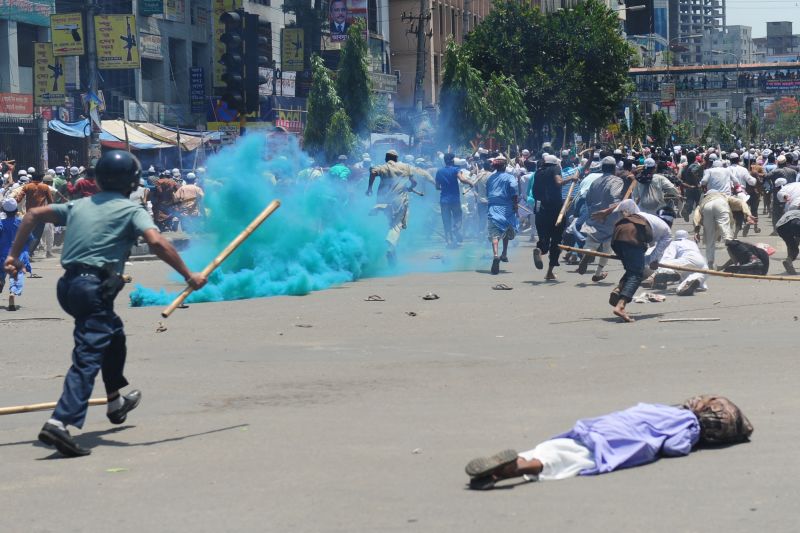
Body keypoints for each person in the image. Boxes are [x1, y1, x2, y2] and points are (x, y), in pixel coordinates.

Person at [3, 150, 207, 457]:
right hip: (93, 287)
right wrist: (189, 275)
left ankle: (115, 401)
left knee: (114, 336)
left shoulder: (79, 204)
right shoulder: (130, 209)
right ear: (133, 182)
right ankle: (60, 422)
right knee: (88, 355)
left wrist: (12, 256)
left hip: (69, 285)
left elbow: (32, 215)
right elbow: (156, 242)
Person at [464, 395, 753, 490]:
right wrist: (693, 444)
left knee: (557, 447)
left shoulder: (664, 409)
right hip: (617, 444)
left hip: (602, 425)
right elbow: (673, 448)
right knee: (569, 460)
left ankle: (509, 466)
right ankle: (513, 468)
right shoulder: (689, 428)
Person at [608, 200, 672, 323]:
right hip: (631, 236)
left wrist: (609, 211)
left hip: (617, 233)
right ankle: (620, 306)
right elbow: (657, 251)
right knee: (637, 274)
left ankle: (618, 290)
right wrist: (653, 261)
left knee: (632, 269)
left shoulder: (646, 217)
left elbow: (629, 202)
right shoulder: (667, 233)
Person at [366, 150, 432, 264]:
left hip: (384, 200)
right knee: (396, 226)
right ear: (396, 159)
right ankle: (390, 248)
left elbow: (373, 173)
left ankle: (393, 252)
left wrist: (369, 188)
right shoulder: (405, 167)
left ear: (386, 158)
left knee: (391, 224)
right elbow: (414, 182)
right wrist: (409, 187)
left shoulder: (383, 167)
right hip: (399, 201)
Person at [578, 156, 625, 282]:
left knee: (591, 241)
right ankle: (598, 272)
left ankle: (587, 253)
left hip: (594, 215)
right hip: (609, 216)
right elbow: (615, 198)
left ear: (602, 168)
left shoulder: (596, 181)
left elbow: (588, 199)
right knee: (607, 247)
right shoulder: (616, 181)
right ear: (614, 168)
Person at [532, 154, 578, 280]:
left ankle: (540, 251)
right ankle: (549, 271)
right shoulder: (555, 169)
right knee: (556, 240)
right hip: (555, 209)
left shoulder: (538, 172)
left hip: (541, 209)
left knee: (544, 238)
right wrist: (571, 178)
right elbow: (559, 182)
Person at [648, 229, 708, 296]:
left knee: (665, 263)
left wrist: (656, 270)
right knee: (694, 277)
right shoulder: (692, 243)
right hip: (702, 262)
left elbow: (668, 257)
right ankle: (692, 283)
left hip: (688, 259)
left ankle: (667, 273)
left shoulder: (674, 243)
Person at [485, 155, 518, 275]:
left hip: (493, 207)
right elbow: (514, 190)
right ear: (504, 166)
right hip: (507, 209)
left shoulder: (490, 178)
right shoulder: (510, 177)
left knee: (495, 234)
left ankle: (496, 255)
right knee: (507, 230)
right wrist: (515, 204)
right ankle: (504, 253)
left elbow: (487, 191)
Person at [0, 198, 32, 310]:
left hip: (3, 254)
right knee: (17, 275)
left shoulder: (1, 223)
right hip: (19, 255)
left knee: (1, 272)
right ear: (16, 210)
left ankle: (0, 280)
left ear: (4, 210)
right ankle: (13, 293)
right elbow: (30, 238)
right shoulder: (22, 223)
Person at [435, 153, 472, 248]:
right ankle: (456, 228)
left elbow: (437, 187)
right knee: (458, 218)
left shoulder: (439, 171)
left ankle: (449, 242)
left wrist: (444, 187)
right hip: (454, 199)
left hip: (444, 200)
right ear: (452, 161)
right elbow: (462, 179)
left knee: (446, 221)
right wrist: (470, 182)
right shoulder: (456, 169)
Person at [13, 170, 53, 254]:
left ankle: (27, 252)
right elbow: (50, 201)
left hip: (30, 215)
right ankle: (29, 252)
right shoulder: (45, 187)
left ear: (32, 179)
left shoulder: (27, 186)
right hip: (41, 215)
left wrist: (11, 201)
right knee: (37, 236)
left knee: (29, 234)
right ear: (41, 179)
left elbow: (19, 199)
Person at [776, 206, 800, 274]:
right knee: (794, 244)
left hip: (780, 227)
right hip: (795, 223)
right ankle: (790, 259)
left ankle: (789, 261)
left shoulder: (790, 211)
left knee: (792, 246)